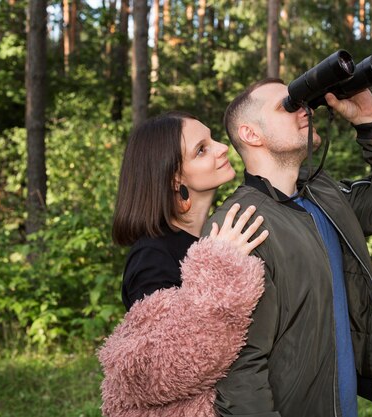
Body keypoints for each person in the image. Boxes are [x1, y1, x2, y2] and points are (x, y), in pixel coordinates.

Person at [202, 80, 372, 417]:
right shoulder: (238, 226)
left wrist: (369, 122)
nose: (304, 109)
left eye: (302, 102)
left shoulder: (323, 194)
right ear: (251, 134)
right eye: (287, 105)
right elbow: (237, 370)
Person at [98, 111, 270, 416]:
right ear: (175, 177)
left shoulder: (212, 236)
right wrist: (220, 266)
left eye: (213, 139)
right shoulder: (151, 256)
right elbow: (159, 365)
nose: (222, 148)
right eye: (201, 150)